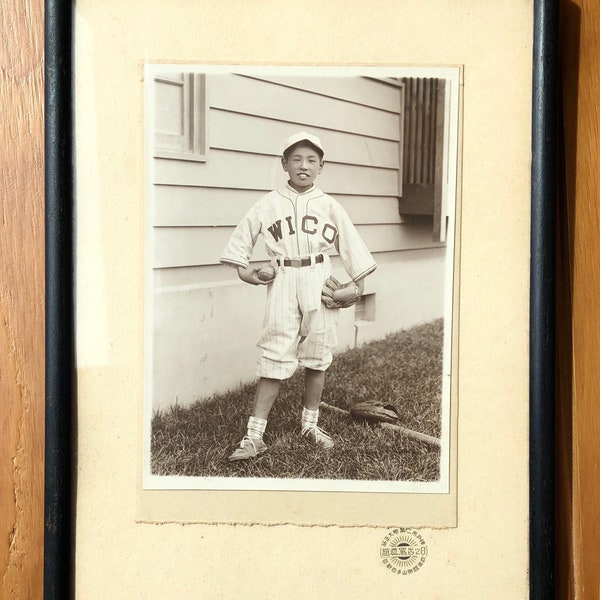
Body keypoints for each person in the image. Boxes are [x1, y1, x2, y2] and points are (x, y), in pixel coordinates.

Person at [220, 131, 376, 461]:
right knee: (275, 353)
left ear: (322, 166)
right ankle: (254, 435)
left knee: (318, 354)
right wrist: (253, 274)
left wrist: (355, 290)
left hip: (320, 279)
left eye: (311, 160)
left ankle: (310, 424)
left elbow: (354, 251)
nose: (303, 166)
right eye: (296, 159)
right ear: (284, 164)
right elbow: (239, 258)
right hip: (283, 278)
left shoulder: (329, 205)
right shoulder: (267, 204)